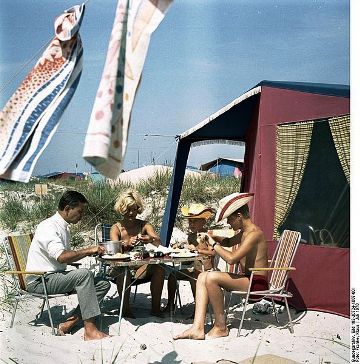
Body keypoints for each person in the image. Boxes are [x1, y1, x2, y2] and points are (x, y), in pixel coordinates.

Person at [174, 192, 268, 340]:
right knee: (202, 276)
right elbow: (228, 242)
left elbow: (231, 259)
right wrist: (211, 235)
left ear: (239, 216)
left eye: (229, 219)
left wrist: (213, 244)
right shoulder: (245, 232)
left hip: (257, 284)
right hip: (247, 279)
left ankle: (221, 326)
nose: (229, 223)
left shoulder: (254, 234)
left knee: (211, 277)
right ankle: (197, 327)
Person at [26, 190, 111, 340]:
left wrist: (89, 253)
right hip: (40, 280)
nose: (82, 215)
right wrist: (88, 249)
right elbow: (62, 257)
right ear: (67, 209)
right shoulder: (49, 227)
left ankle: (69, 323)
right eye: (80, 211)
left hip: (54, 276)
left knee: (103, 283)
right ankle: (90, 331)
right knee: (84, 274)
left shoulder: (63, 227)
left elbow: (62, 257)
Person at [109, 190, 165, 318]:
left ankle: (155, 308)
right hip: (121, 267)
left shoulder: (143, 225)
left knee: (159, 269)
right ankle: (125, 309)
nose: (131, 213)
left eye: (134, 210)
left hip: (140, 266)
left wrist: (149, 239)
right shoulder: (116, 228)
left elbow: (158, 241)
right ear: (122, 209)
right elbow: (114, 251)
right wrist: (126, 244)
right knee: (124, 271)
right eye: (128, 210)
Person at [163, 203, 215, 314]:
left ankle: (199, 309)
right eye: (190, 221)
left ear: (204, 221)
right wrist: (180, 248)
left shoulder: (207, 235)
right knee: (173, 275)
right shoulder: (191, 236)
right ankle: (171, 304)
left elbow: (213, 252)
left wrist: (198, 250)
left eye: (195, 221)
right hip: (195, 269)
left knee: (194, 277)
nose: (192, 223)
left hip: (207, 270)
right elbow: (189, 257)